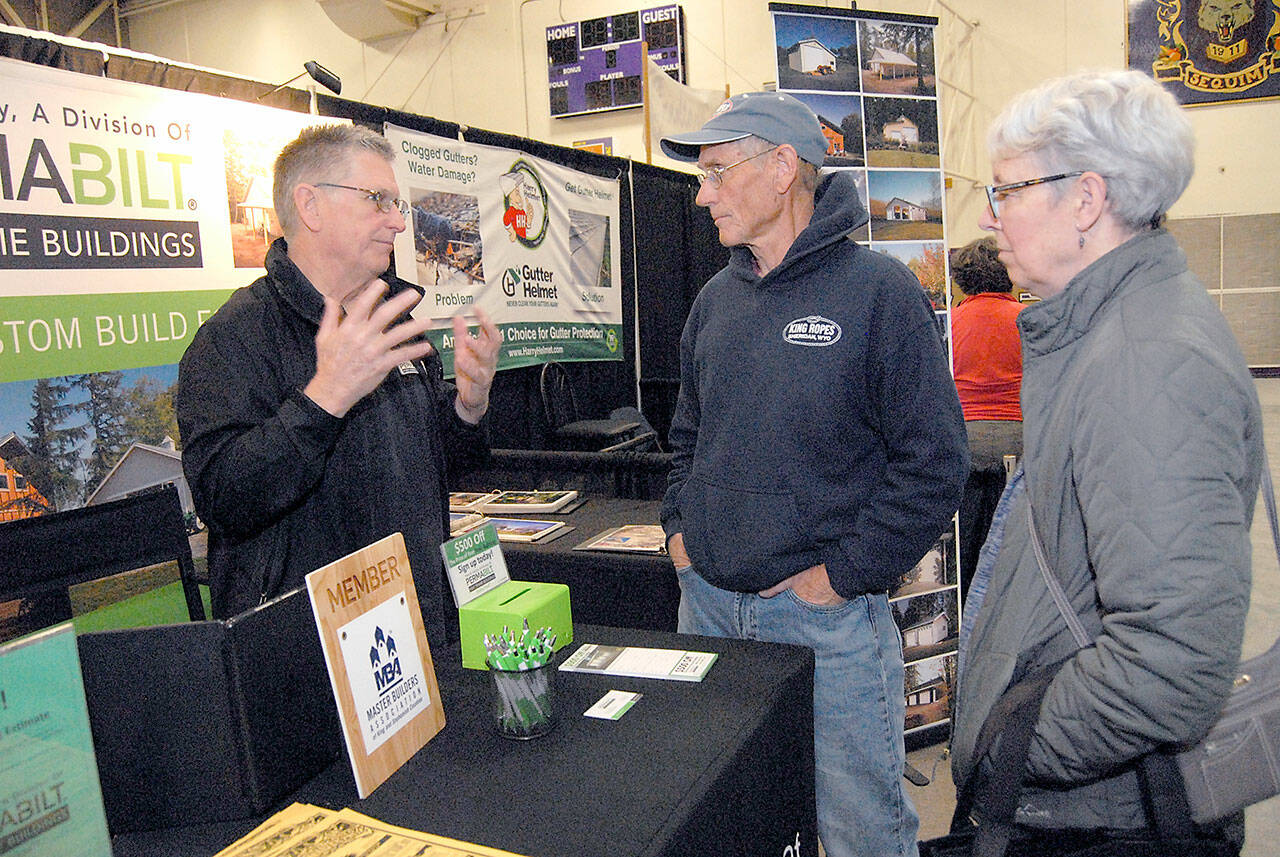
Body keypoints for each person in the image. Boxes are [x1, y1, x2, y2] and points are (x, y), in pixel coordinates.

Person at [951, 70, 1264, 855]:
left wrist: (1011, 745)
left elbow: (1172, 661)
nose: (991, 218)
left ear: (1086, 200)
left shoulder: (1145, 359)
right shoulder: (1110, 332)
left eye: (1006, 191)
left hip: (1104, 818)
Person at [658, 92, 968, 857]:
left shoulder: (880, 293)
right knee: (731, 821)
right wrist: (679, 535)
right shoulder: (714, 302)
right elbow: (687, 436)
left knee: (863, 831)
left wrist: (843, 575)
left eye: (717, 172)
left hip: (824, 626)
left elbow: (934, 462)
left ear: (781, 167)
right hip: (709, 612)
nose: (702, 195)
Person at [176, 124, 501, 645]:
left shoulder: (392, 319)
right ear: (311, 206)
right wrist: (325, 399)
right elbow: (223, 498)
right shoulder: (233, 338)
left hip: (413, 634)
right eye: (378, 200)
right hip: (306, 653)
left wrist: (468, 406)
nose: (398, 222)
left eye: (397, 204)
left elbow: (436, 467)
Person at [948, 237, 1024, 596]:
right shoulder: (1028, 319)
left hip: (964, 441)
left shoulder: (950, 322)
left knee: (965, 543)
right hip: (1019, 441)